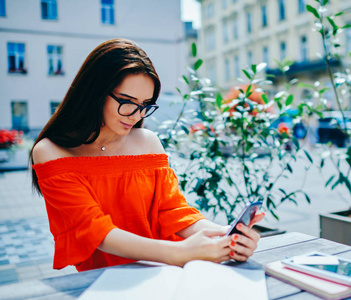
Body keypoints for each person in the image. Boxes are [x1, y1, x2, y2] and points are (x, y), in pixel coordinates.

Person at [30, 39, 264, 272]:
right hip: (106, 285)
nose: (136, 115)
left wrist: (223, 234)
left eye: (145, 105)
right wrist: (180, 253)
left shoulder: (147, 141)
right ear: (95, 92)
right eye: (127, 102)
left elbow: (172, 210)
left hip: (170, 275)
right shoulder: (50, 152)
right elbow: (94, 231)